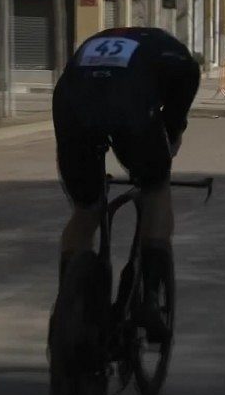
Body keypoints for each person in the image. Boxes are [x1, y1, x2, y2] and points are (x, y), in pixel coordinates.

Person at [52, 27, 200, 343]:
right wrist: (170, 139)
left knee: (87, 207)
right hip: (129, 106)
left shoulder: (105, 39)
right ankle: (149, 302)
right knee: (156, 187)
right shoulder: (181, 62)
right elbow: (173, 120)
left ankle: (67, 307)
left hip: (71, 103)